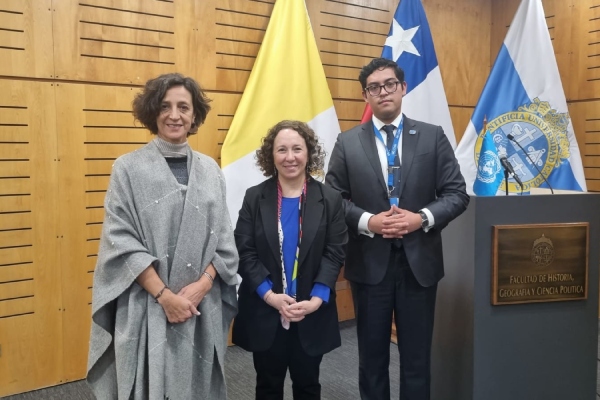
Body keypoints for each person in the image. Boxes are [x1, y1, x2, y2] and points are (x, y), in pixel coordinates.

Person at [87, 73, 238, 400]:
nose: (174, 115)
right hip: (149, 305)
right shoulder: (127, 169)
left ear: (194, 115)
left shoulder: (211, 170)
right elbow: (120, 242)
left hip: (200, 306)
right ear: (153, 111)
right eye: (166, 106)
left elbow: (225, 242)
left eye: (183, 107)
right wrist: (165, 297)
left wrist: (203, 285)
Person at [325, 58, 469, 400]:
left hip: (419, 266)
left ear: (403, 88)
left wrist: (421, 218)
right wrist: (368, 221)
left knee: (417, 359)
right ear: (366, 96)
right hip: (369, 266)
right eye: (374, 87)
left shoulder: (432, 137)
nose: (383, 92)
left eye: (390, 84)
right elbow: (332, 199)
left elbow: (456, 194)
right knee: (371, 360)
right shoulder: (347, 143)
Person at [233, 120, 348, 400]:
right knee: (268, 386)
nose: (290, 157)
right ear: (271, 156)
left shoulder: (330, 199)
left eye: (297, 148)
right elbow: (244, 250)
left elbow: (335, 251)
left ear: (308, 153)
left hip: (311, 309)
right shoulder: (254, 197)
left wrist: (317, 299)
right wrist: (269, 295)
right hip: (267, 309)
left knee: (308, 386)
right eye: (281, 150)